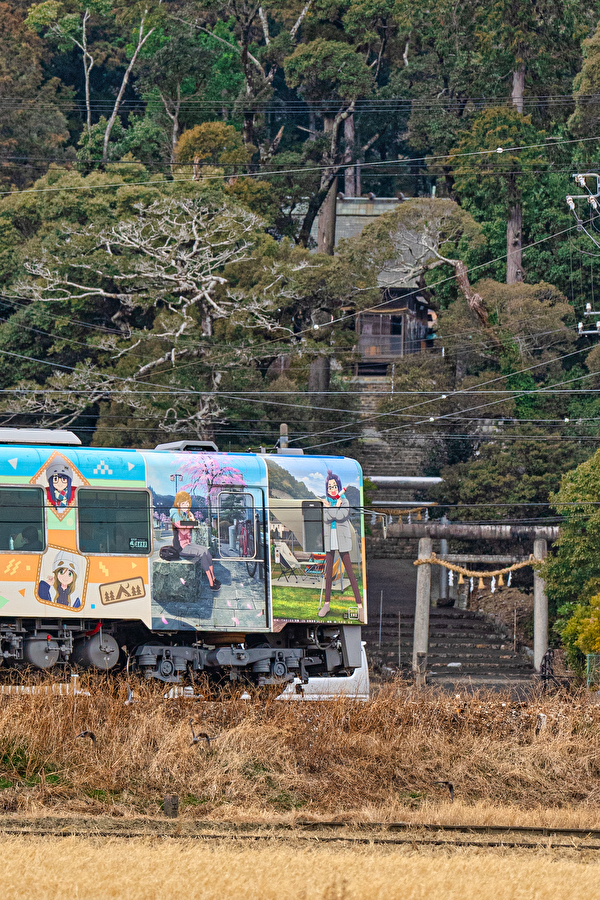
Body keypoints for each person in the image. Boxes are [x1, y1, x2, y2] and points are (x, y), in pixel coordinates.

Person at [318, 471, 363, 621]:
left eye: (335, 486)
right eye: (330, 486)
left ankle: (360, 606)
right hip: (329, 539)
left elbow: (339, 516)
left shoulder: (344, 501)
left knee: (350, 573)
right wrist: (332, 508)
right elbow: (326, 518)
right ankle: (327, 604)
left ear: (339, 487)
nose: (332, 489)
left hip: (342, 540)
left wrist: (333, 508)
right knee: (328, 573)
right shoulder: (326, 502)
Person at [170, 490, 220, 591]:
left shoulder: (184, 514)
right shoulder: (175, 513)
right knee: (202, 553)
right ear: (178, 503)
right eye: (183, 503)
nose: (186, 505)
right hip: (180, 547)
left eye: (187, 503)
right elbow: (182, 529)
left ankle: (213, 578)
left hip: (187, 544)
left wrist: (191, 521)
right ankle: (211, 583)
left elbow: (191, 526)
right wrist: (192, 521)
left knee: (206, 551)